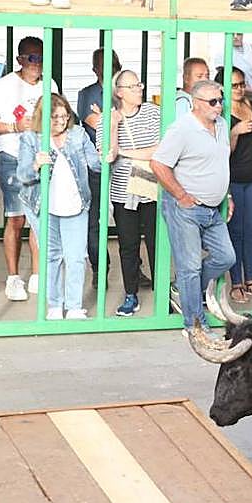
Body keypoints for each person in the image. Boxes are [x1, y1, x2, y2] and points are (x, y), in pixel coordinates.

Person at [151, 79, 235, 337]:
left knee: (226, 257)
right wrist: (181, 195)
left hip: (212, 207)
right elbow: (158, 164)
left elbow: (219, 163)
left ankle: (183, 290)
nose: (219, 106)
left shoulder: (220, 125)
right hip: (185, 207)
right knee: (190, 266)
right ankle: (195, 325)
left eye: (220, 100)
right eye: (212, 102)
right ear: (195, 103)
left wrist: (226, 193)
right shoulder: (182, 129)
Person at [16, 94, 100, 318]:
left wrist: (107, 154)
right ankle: (54, 305)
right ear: (43, 117)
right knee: (52, 255)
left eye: (65, 116)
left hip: (75, 202)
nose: (62, 122)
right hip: (43, 205)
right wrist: (36, 164)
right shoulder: (31, 138)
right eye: (55, 117)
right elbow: (22, 175)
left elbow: (95, 163)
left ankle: (73, 307)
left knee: (75, 256)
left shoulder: (78, 134)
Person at [94, 69, 161, 317]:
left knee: (157, 242)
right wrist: (113, 126)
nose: (139, 89)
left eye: (140, 84)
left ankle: (163, 291)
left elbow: (160, 149)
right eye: (133, 86)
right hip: (123, 192)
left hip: (153, 188)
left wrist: (125, 151)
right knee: (128, 245)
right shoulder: (107, 120)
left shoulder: (154, 113)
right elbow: (108, 156)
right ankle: (130, 293)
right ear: (119, 92)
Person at [0, 36, 54, 302]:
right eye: (32, 58)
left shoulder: (49, 83)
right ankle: (13, 278)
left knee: (39, 218)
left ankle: (36, 275)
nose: (37, 63)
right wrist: (15, 127)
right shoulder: (5, 85)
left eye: (41, 58)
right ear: (20, 60)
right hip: (11, 155)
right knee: (17, 218)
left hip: (41, 157)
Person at [219, 66, 252, 303]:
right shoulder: (220, 113)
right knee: (235, 232)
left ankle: (250, 279)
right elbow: (221, 154)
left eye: (241, 84)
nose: (239, 89)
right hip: (233, 180)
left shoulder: (251, 105)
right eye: (234, 85)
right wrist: (235, 132)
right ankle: (236, 282)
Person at [76, 47, 120, 275]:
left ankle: (134, 269)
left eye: (113, 63)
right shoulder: (87, 94)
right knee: (94, 221)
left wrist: (108, 119)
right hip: (96, 166)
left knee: (127, 220)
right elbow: (96, 125)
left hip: (124, 164)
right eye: (103, 64)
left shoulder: (124, 91)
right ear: (95, 69)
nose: (109, 68)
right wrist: (115, 120)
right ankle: (99, 267)